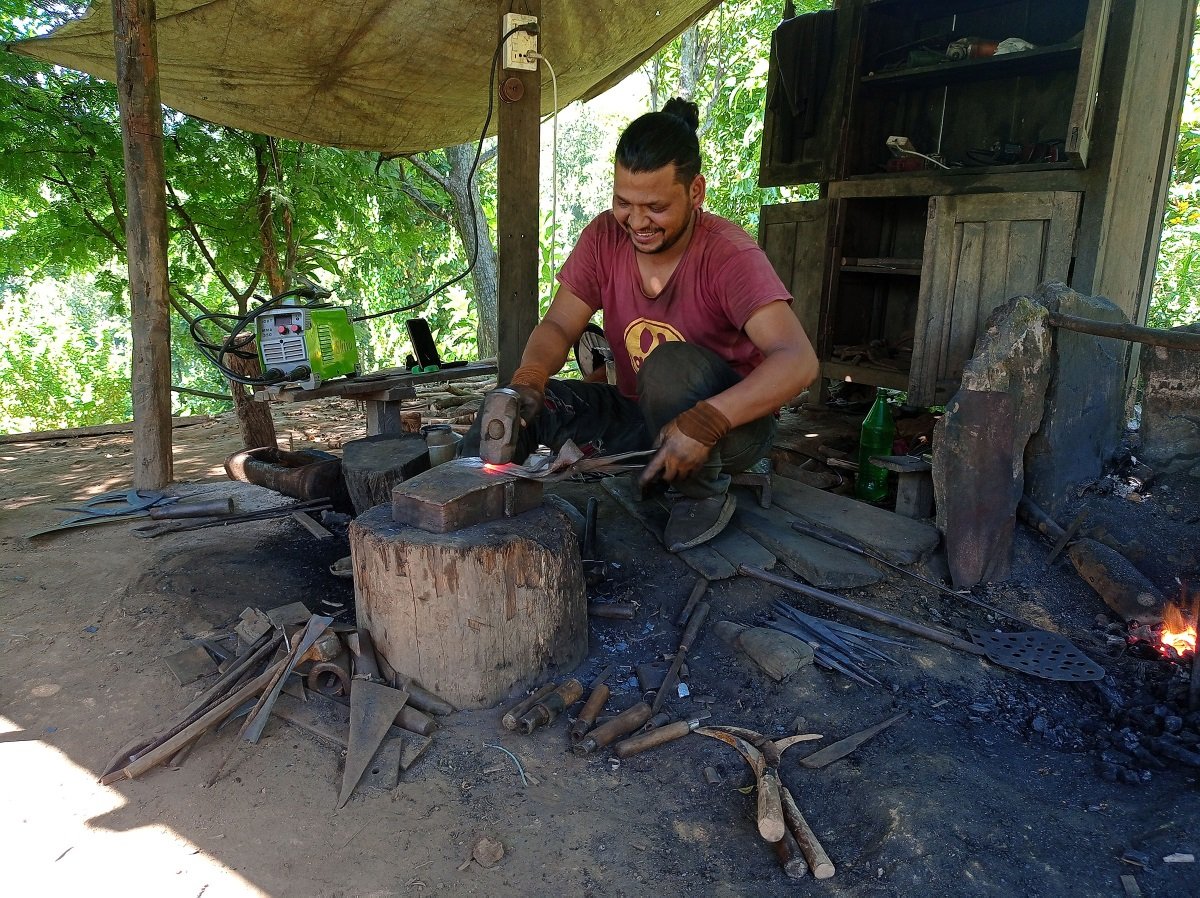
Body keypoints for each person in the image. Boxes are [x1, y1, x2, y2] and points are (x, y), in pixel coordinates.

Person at [465, 97, 819, 550]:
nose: (636, 222)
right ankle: (465, 496)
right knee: (518, 405)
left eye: (655, 206)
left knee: (668, 366)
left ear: (696, 193)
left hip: (731, 431)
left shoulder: (728, 254)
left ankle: (701, 494)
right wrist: (530, 380)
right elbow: (558, 325)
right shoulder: (603, 238)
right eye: (623, 203)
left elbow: (798, 361)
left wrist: (709, 420)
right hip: (641, 416)